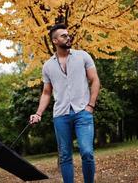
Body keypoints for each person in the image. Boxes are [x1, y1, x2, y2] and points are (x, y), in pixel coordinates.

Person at [29, 23, 100, 183]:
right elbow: (46, 92)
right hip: (60, 115)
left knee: (87, 152)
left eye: (68, 35)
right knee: (65, 156)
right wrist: (38, 113)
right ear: (55, 41)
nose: (68, 38)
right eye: (64, 36)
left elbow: (95, 80)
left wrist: (91, 105)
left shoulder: (83, 56)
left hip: (83, 112)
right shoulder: (47, 66)